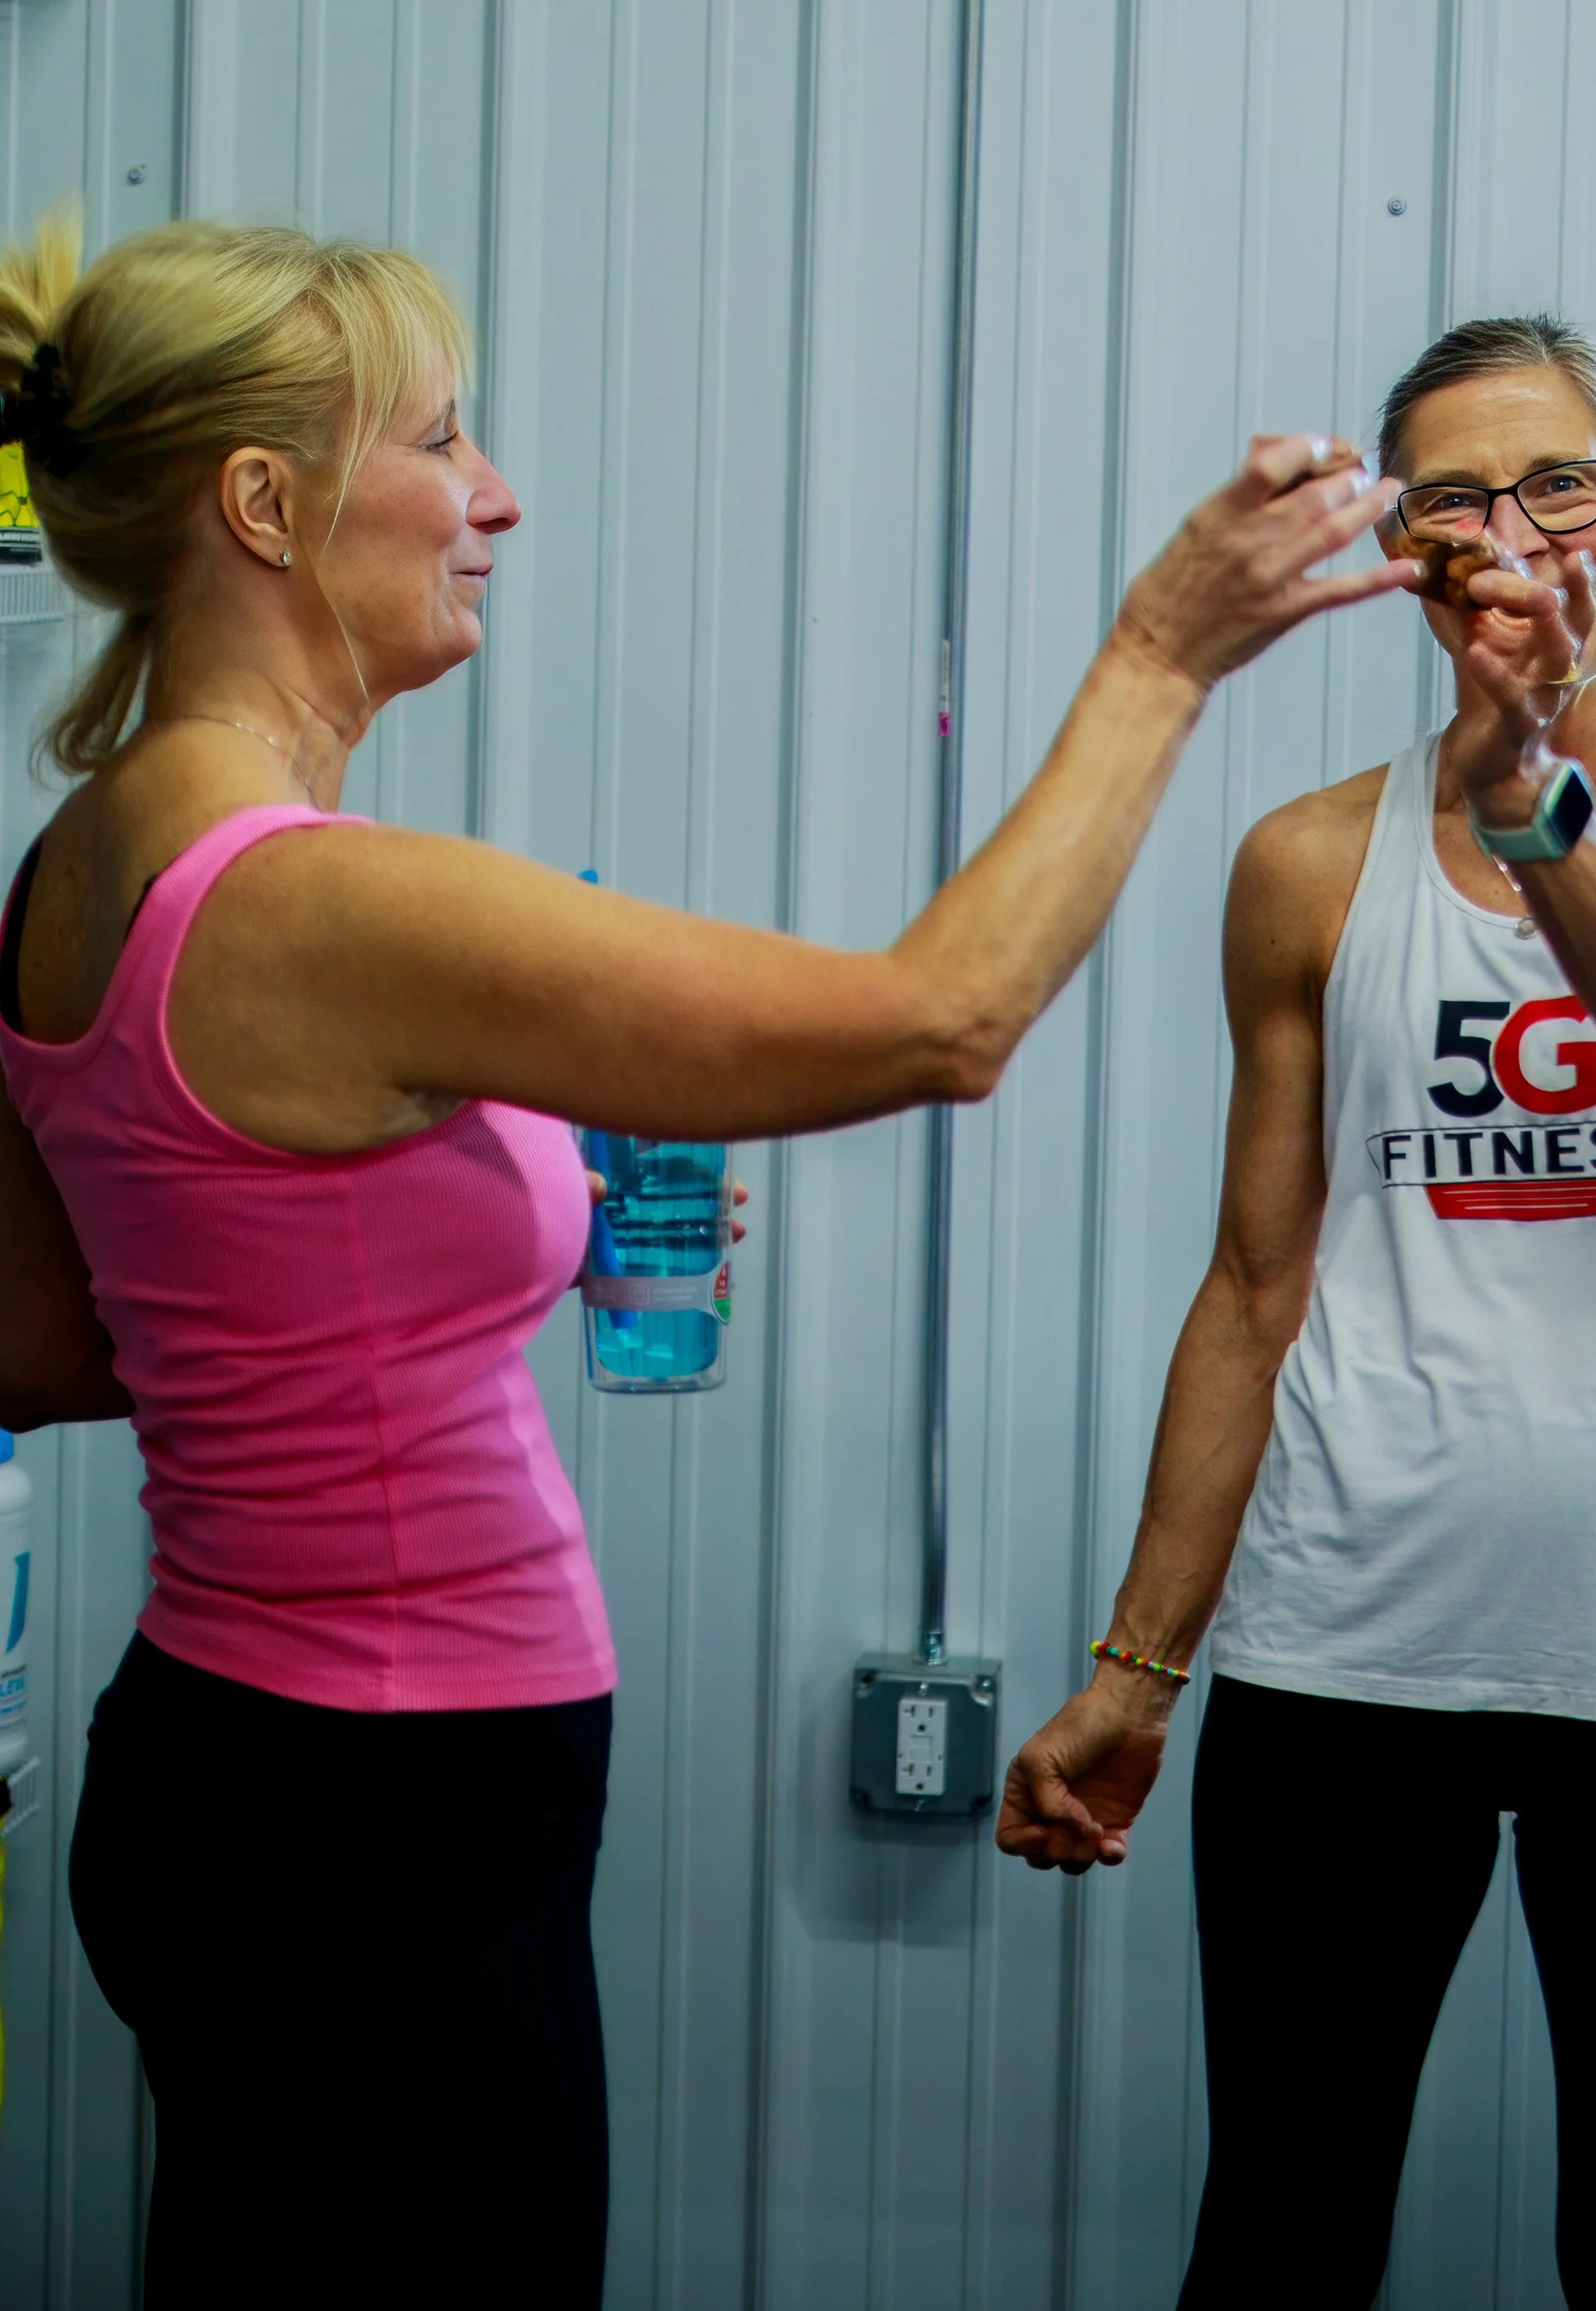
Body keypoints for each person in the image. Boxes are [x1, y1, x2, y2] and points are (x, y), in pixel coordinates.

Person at [0, 213, 1413, 2311]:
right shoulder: (325, 905)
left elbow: (61, 1335)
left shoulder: (84, 850)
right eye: (445, 438)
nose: (495, 497)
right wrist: (1159, 658)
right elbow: (944, 1016)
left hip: (220, 1769)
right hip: (393, 1819)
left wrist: (452, 1247)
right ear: (266, 505)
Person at [997, 313, 1596, 2311]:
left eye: (1559, 481)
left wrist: (1530, 810)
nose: (1511, 532)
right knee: (1281, 2236)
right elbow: (1251, 1285)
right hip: (1348, 1653)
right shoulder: (1304, 864)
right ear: (1399, 556)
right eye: (1452, 500)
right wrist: (1140, 1666)